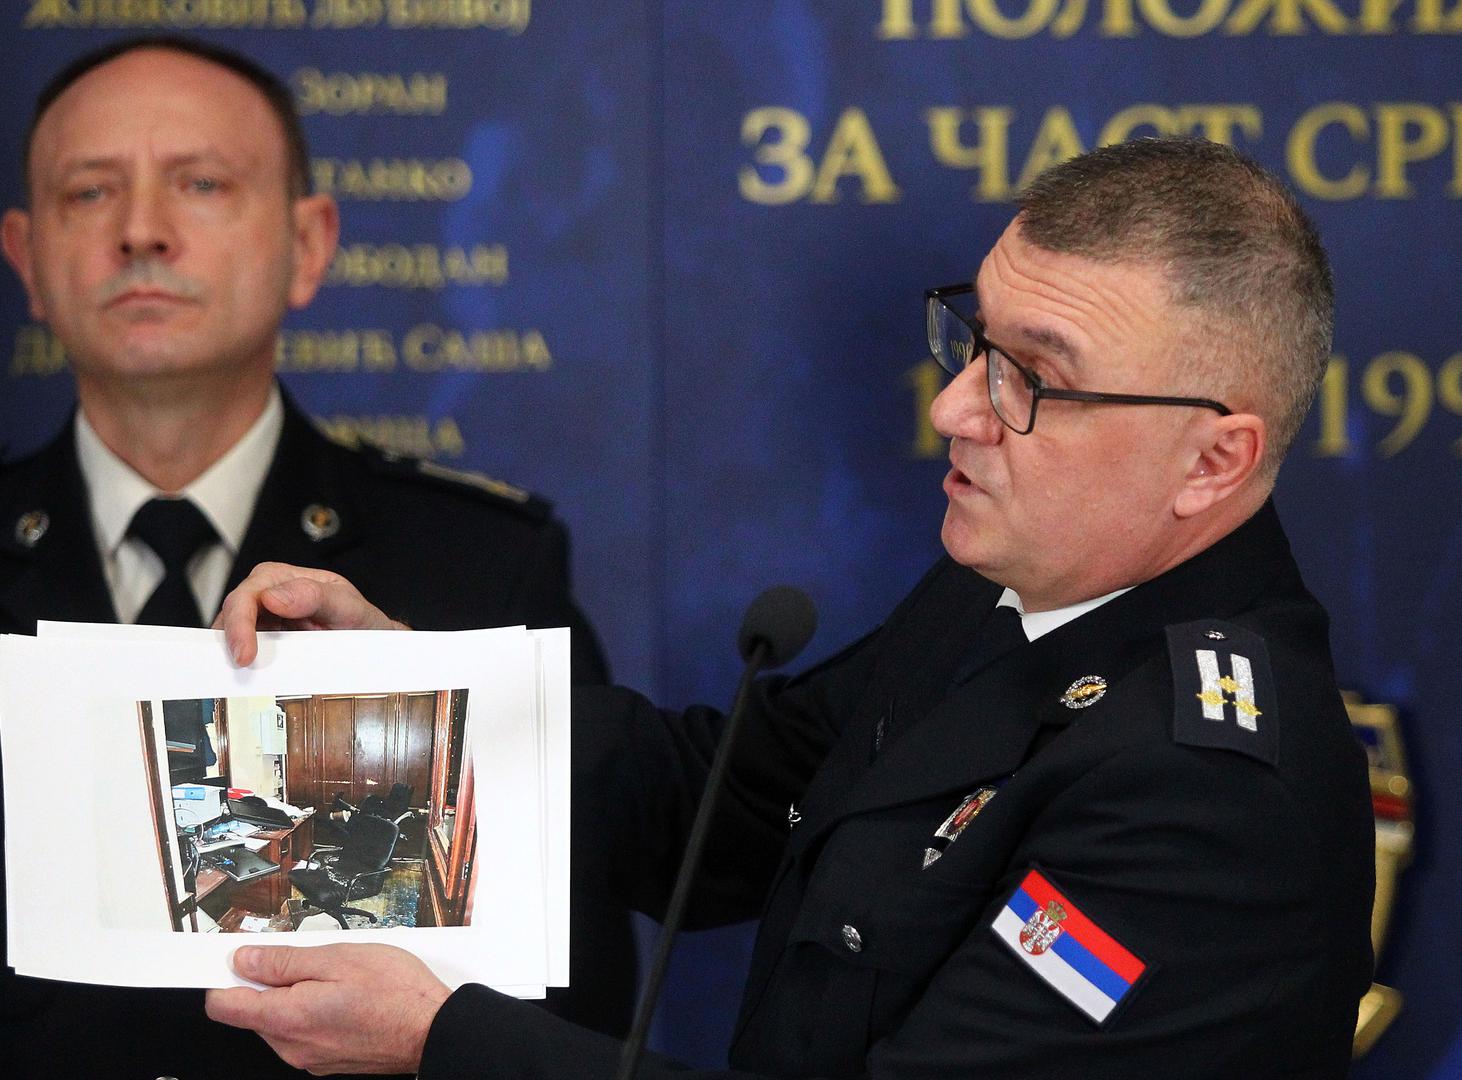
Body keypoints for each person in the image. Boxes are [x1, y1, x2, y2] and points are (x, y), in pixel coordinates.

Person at [204, 137, 1375, 1079]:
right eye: (975, 341)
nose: (957, 407)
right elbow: (724, 802)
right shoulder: (1011, 585)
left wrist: (442, 1040)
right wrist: (415, 692)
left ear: (1214, 461)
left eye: (1038, 379)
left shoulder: (1208, 792)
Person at [0, 37, 631, 1079]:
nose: (142, 233)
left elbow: (561, 1018)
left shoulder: (477, 573)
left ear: (309, 245)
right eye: (89, 193)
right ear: (27, 259)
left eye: (201, 184)